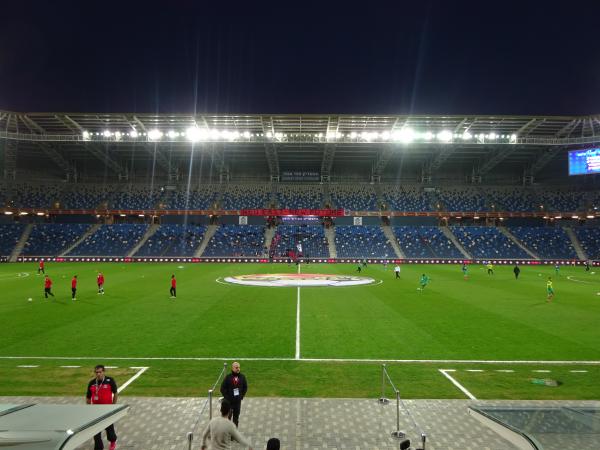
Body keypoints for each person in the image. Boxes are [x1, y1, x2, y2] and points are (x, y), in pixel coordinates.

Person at [86, 365, 118, 450]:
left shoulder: (110, 380)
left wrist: (113, 406)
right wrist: (89, 408)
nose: (98, 374)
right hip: (95, 411)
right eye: (97, 372)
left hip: (107, 410)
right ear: (95, 373)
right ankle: (99, 448)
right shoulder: (92, 383)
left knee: (109, 428)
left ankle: (112, 442)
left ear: (104, 372)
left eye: (100, 372)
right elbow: (88, 397)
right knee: (96, 431)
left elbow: (115, 393)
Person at [220, 361, 248, 427]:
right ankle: (227, 432)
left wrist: (241, 396)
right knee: (228, 419)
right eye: (236, 367)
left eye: (239, 367)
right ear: (232, 368)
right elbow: (222, 388)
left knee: (236, 419)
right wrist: (227, 398)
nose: (238, 369)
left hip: (237, 402)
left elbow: (245, 387)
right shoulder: (228, 377)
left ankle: (234, 433)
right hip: (229, 402)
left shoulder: (242, 377)